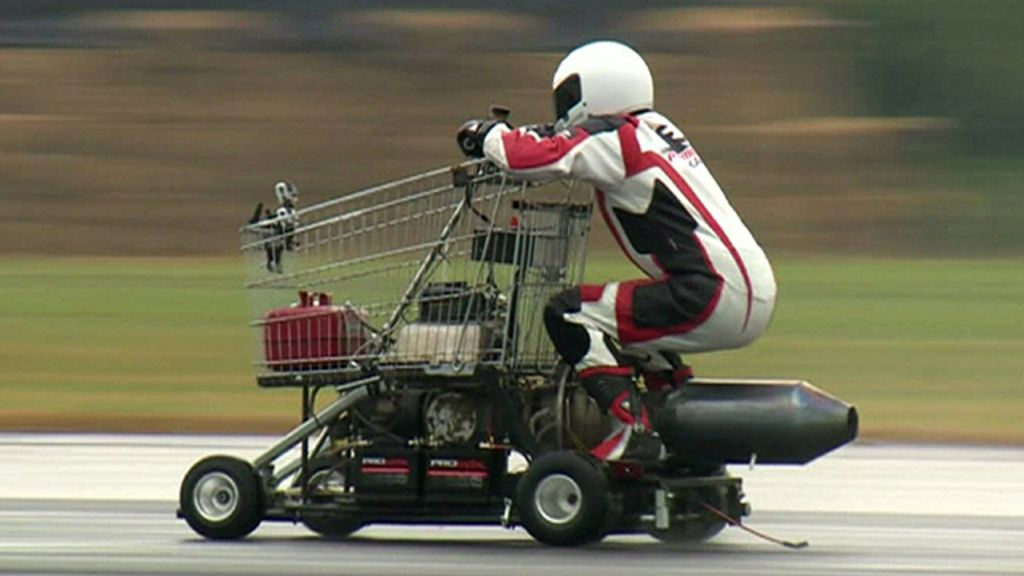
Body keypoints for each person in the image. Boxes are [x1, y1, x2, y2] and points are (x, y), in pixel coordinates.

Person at [458, 40, 777, 463]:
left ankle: (634, 429)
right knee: (634, 336)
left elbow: (525, 157)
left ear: (592, 90)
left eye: (569, 96)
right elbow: (563, 148)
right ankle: (679, 428)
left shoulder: (613, 137)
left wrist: (488, 135)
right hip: (749, 288)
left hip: (709, 294)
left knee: (570, 312)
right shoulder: (656, 130)